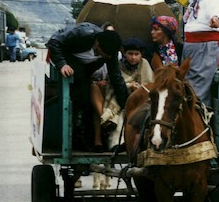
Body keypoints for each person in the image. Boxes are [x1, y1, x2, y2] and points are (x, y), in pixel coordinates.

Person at [46, 22, 128, 151]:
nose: (105, 58)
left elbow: (116, 78)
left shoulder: (109, 53)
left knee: (86, 97)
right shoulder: (83, 33)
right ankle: (74, 135)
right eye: (104, 55)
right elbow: (54, 42)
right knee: (79, 85)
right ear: (97, 44)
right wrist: (62, 64)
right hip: (68, 59)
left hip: (85, 70)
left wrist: (124, 103)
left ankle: (86, 136)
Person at [91, 37, 154, 152]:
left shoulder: (144, 64)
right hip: (120, 100)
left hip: (140, 101)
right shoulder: (119, 65)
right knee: (119, 117)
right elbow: (114, 83)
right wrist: (129, 85)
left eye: (136, 54)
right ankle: (116, 145)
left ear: (141, 55)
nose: (133, 57)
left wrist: (138, 89)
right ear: (124, 53)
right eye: (130, 54)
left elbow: (149, 84)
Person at [182, 0, 219, 107]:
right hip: (191, 47)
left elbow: (217, 13)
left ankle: (199, 122)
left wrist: (216, 19)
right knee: (185, 86)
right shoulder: (192, 1)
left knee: (197, 92)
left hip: (207, 47)